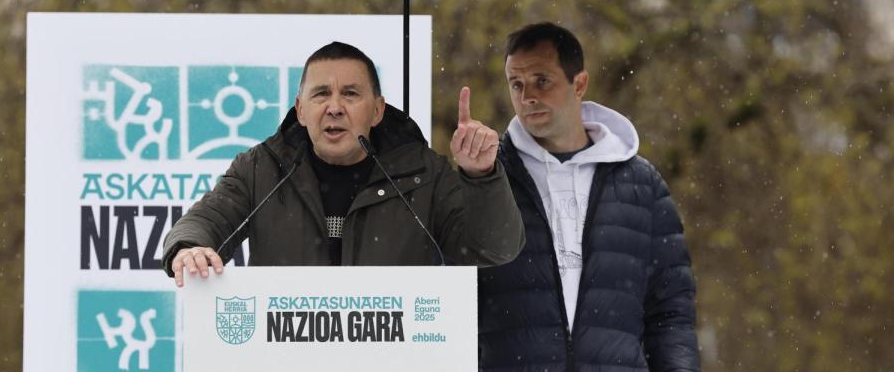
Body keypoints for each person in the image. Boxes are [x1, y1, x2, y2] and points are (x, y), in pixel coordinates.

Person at [163, 41, 524, 285]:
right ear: (301, 110)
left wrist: (482, 175)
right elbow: (202, 223)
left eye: (350, 94)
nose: (334, 106)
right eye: (321, 94)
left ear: (378, 110)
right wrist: (189, 247)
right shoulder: (261, 169)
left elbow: (494, 249)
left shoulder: (424, 172)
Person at [478, 22, 700, 372]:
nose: (527, 97)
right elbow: (450, 301)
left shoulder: (642, 185)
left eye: (542, 81)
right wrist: (472, 182)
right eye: (516, 84)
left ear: (578, 83)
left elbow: (670, 311)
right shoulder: (487, 180)